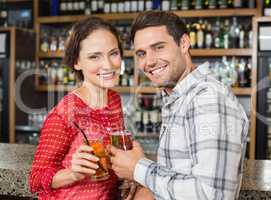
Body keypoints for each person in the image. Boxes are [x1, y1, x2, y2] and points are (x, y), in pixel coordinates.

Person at [109, 11, 249, 200]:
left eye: (158, 47)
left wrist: (138, 168)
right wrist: (142, 176)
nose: (149, 62)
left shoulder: (207, 99)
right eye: (141, 53)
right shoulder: (177, 97)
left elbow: (211, 195)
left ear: (184, 43)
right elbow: (181, 175)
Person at [29, 17, 126, 199]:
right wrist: (73, 173)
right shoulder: (66, 111)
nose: (108, 64)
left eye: (113, 53)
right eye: (94, 56)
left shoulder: (114, 99)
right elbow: (36, 179)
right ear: (76, 62)